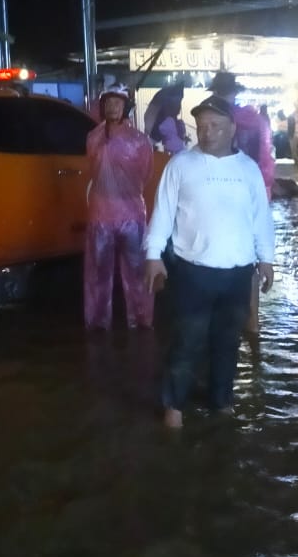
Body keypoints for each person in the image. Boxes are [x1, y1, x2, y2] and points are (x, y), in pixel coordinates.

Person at [144, 94, 275, 428]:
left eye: (215, 125)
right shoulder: (180, 165)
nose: (208, 132)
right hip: (192, 272)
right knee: (187, 339)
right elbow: (162, 214)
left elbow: (261, 218)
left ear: (232, 129)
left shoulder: (248, 170)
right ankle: (174, 406)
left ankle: (221, 400)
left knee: (227, 342)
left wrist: (266, 259)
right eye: (202, 125)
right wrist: (153, 257)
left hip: (237, 273)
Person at [84, 85, 155, 331]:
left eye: (118, 102)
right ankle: (97, 322)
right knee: (97, 273)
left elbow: (145, 174)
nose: (113, 107)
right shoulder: (93, 137)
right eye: (109, 102)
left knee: (136, 272)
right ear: (102, 107)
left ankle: (141, 319)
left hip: (132, 215)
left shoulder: (140, 140)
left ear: (126, 106)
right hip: (100, 216)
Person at [211, 70, 275, 335]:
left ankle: (226, 318)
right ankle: (252, 321)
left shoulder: (217, 121)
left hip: (221, 193)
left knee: (218, 255)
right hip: (251, 191)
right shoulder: (255, 120)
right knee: (249, 259)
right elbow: (267, 158)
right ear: (235, 92)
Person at [149, 86, 188, 153]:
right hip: (182, 149)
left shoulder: (168, 122)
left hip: (171, 151)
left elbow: (157, 134)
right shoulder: (181, 123)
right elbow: (183, 136)